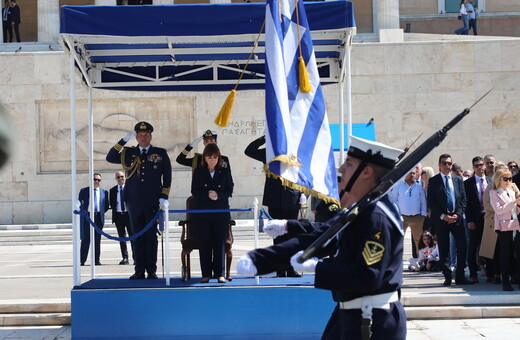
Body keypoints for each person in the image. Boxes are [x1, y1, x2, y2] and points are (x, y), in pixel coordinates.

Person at [238, 136, 406, 339]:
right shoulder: (362, 210)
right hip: (353, 313)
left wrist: (319, 269)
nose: (341, 169)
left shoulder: (375, 217)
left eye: (349, 164)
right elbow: (323, 235)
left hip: (373, 321)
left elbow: (367, 276)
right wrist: (264, 259)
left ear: (367, 173)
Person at [106, 121, 172, 280]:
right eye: (140, 135)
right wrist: (123, 141)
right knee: (136, 236)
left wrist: (164, 196)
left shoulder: (160, 153)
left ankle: (151, 270)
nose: (143, 138)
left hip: (152, 201)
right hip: (133, 201)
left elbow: (167, 176)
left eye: (146, 135)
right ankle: (139, 270)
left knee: (151, 236)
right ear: (136, 137)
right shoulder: (128, 153)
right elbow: (110, 157)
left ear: (150, 136)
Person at [244, 135, 303, 278]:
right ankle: (280, 269)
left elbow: (302, 175)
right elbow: (249, 151)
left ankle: (290, 268)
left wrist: (302, 195)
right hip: (275, 199)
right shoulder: (269, 154)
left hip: (292, 199)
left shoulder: (296, 154)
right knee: (278, 236)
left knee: (292, 236)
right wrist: (265, 138)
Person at [191, 144, 234, 284]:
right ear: (205, 158)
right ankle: (206, 274)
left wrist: (219, 195)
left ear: (218, 158)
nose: (212, 160)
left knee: (219, 244)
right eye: (209, 157)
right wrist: (207, 195)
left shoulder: (224, 172)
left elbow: (229, 190)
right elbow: (194, 191)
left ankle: (220, 274)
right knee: (204, 244)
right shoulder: (198, 172)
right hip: (203, 214)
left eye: (215, 157)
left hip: (220, 213)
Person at [427, 154, 472, 286]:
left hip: (456, 220)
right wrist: (443, 216)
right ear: (439, 165)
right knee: (444, 248)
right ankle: (447, 276)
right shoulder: (434, 181)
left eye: (449, 163)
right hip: (441, 220)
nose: (447, 166)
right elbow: (431, 202)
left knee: (462, 246)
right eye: (444, 163)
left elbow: (464, 200)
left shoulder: (458, 180)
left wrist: (457, 215)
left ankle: (460, 276)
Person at [489, 168, 520, 291]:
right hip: (503, 227)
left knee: (518, 254)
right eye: (505, 179)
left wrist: (517, 205)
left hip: (515, 224)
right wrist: (513, 203)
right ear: (499, 180)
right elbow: (499, 210)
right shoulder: (494, 193)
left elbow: (514, 210)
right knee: (505, 254)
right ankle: (505, 281)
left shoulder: (511, 191)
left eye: (510, 179)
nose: (508, 181)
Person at [389, 169, 427, 258]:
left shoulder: (419, 187)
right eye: (410, 173)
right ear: (405, 174)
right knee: (398, 238)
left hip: (417, 217)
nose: (412, 175)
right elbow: (393, 201)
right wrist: (396, 215)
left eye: (414, 173)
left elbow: (423, 202)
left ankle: (423, 260)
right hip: (402, 218)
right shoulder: (398, 187)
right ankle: (395, 259)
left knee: (420, 240)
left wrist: (423, 215)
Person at [464, 156, 490, 283]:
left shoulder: (490, 181)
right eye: (476, 165)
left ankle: (491, 273)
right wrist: (469, 220)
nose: (479, 167)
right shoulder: (468, 183)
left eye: (481, 165)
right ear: (473, 167)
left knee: (489, 246)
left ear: (484, 166)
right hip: (475, 219)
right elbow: (466, 204)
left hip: (488, 219)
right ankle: (473, 274)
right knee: (473, 247)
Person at [78, 173, 109, 266]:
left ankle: (96, 260)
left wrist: (100, 212)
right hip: (88, 216)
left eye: (99, 180)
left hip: (99, 217)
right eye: (95, 179)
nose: (96, 181)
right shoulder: (84, 191)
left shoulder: (104, 192)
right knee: (86, 239)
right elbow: (79, 203)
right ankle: (82, 260)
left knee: (97, 240)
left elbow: (106, 205)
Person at [109, 171, 133, 265]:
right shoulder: (113, 190)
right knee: (122, 238)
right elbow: (112, 203)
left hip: (129, 215)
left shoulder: (130, 188)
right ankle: (125, 258)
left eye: (122, 177)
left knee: (133, 237)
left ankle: (136, 257)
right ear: (116, 179)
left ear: (125, 177)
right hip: (119, 216)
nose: (120, 179)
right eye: (118, 177)